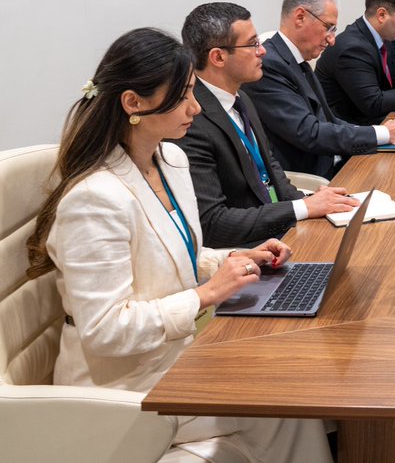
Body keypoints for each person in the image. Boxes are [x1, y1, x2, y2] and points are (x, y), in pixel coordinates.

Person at [26, 27, 332, 463]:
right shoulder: (94, 199)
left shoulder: (170, 158)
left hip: (174, 359)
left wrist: (237, 258)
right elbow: (106, 331)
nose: (195, 107)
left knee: (286, 390)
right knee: (281, 402)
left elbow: (177, 254)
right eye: (184, 95)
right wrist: (207, 293)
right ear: (134, 103)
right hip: (122, 389)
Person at [173, 2, 358, 247]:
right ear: (218, 57)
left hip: (276, 229)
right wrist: (301, 207)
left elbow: (270, 167)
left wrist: (307, 202)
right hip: (244, 251)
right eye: (253, 44)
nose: (262, 52)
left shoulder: (242, 98)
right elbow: (214, 223)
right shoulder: (191, 121)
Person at [241, 0, 395, 179]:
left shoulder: (297, 60)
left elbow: (329, 120)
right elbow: (310, 133)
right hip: (312, 179)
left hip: (333, 163)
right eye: (328, 28)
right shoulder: (270, 65)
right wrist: (382, 133)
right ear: (300, 17)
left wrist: (380, 133)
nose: (332, 40)